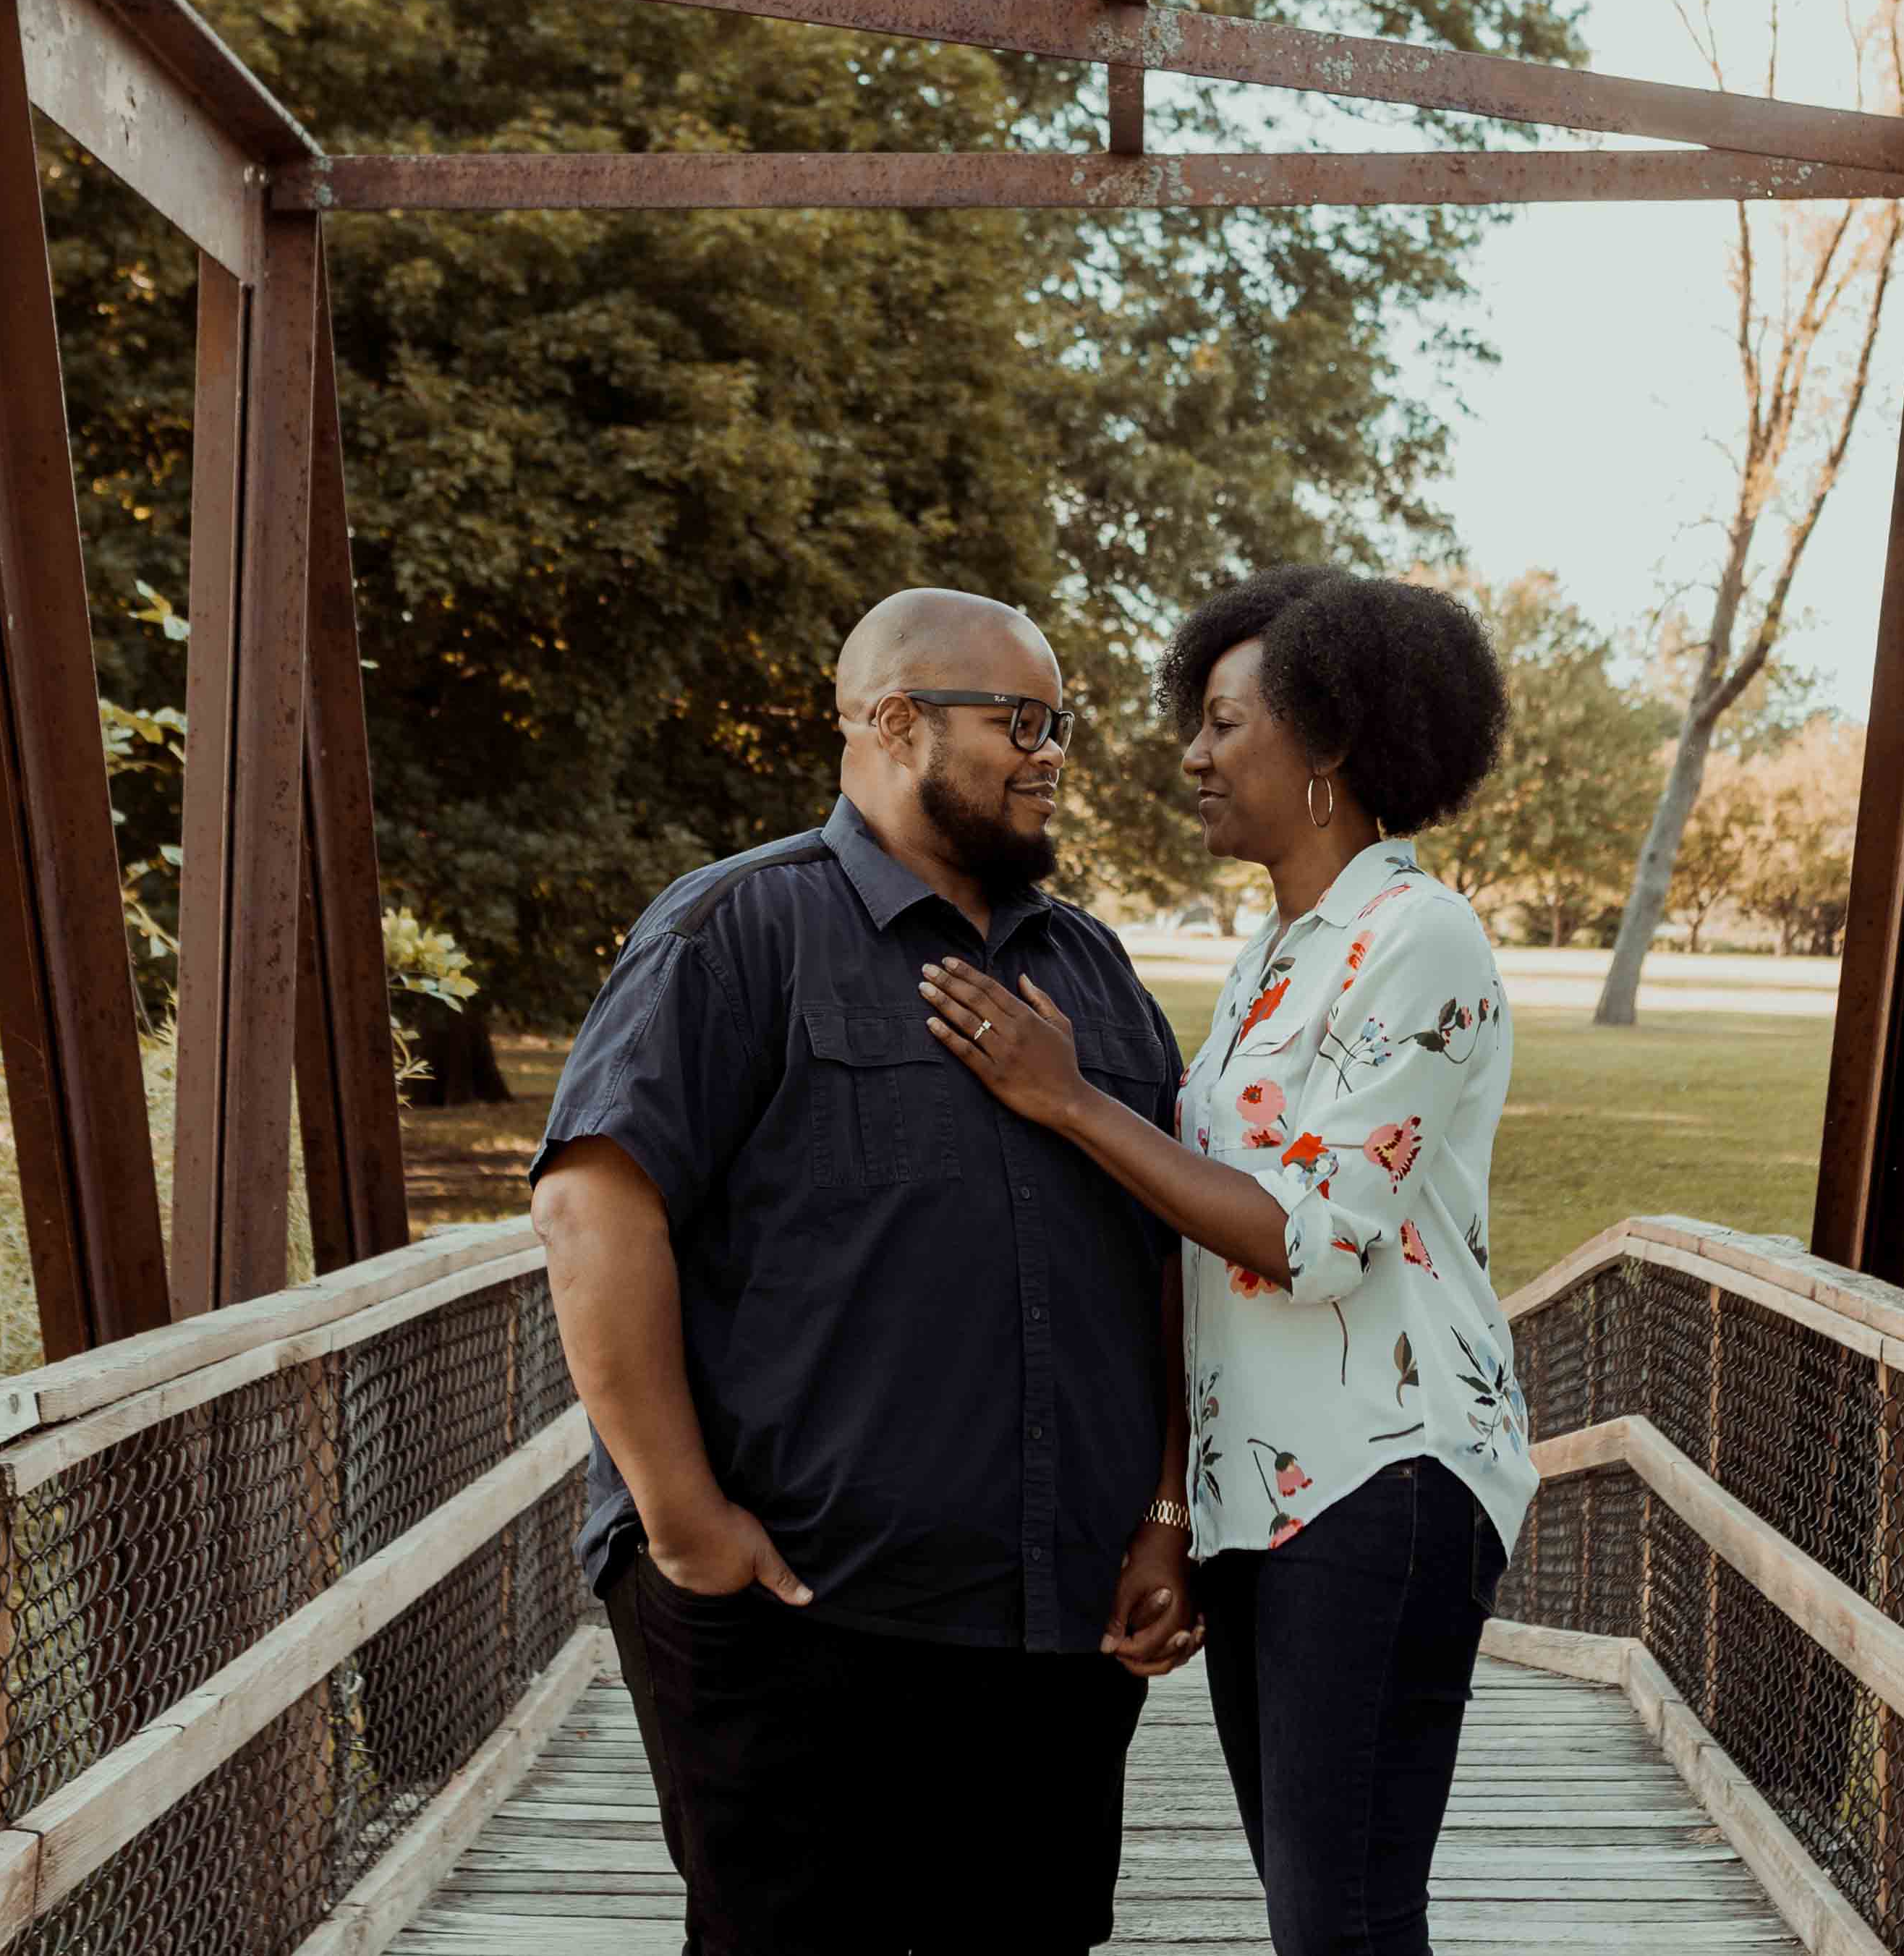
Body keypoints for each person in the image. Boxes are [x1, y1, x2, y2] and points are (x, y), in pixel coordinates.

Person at [525, 588, 1199, 1956]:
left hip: (1051, 1627)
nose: (1050, 750)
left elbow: (1165, 1254)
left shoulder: (1096, 970)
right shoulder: (734, 932)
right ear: (894, 721)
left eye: (1058, 721)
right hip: (796, 1609)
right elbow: (593, 1213)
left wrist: (1165, 1507)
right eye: (1020, 719)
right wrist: (683, 1523)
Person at [919, 565, 1534, 1956]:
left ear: (1327, 743)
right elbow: (1204, 1268)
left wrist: (1072, 1100)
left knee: (1347, 1924)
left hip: (1388, 1474)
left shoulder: (1416, 938)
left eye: (1223, 722)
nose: (1190, 754)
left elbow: (1311, 1239)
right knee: (1316, 1917)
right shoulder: (1275, 954)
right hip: (1270, 1496)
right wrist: (1173, 1514)